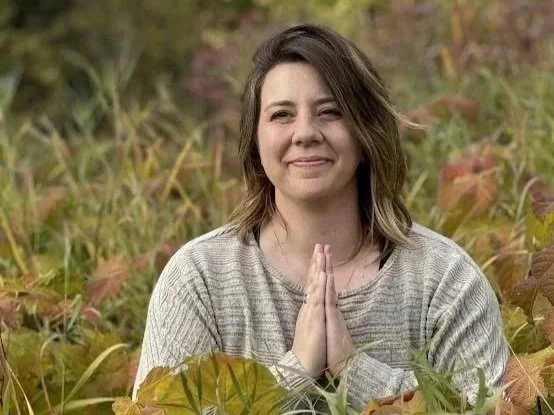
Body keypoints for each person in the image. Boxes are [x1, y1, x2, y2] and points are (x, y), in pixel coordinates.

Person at [132, 24, 509, 413]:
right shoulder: (198, 281)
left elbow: (488, 408)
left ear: (366, 132)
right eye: (282, 115)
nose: (305, 133)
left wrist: (356, 372)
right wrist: (294, 373)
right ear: (255, 140)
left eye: (330, 112)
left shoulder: (445, 280)